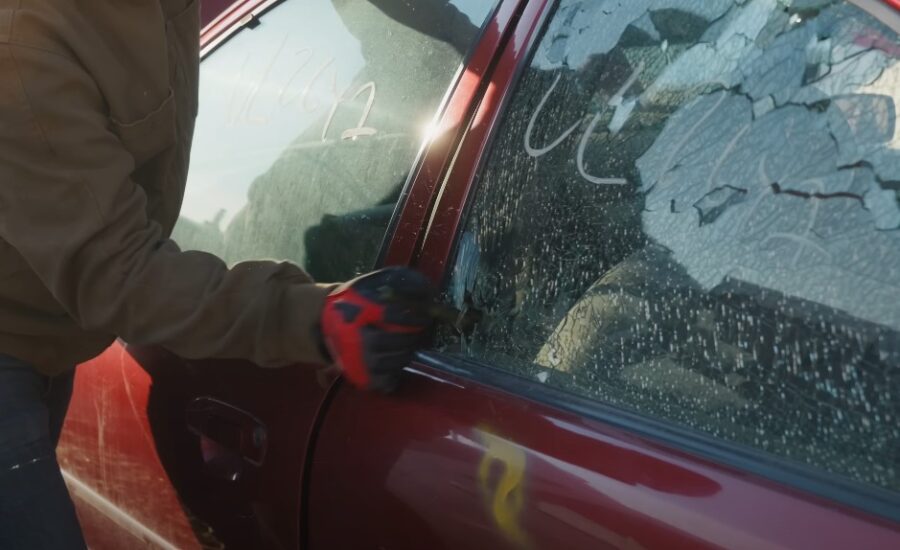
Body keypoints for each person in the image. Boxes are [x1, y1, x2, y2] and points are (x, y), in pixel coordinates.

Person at [0, 2, 435, 548]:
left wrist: (464, 35)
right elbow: (121, 275)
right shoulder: (21, 43)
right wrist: (313, 318)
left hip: (53, 327)